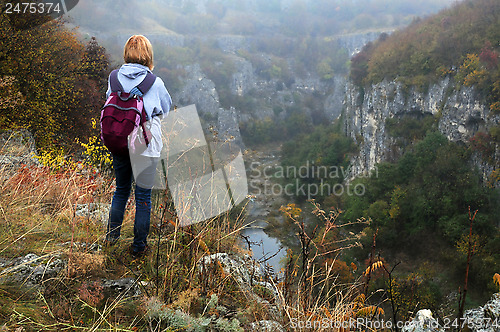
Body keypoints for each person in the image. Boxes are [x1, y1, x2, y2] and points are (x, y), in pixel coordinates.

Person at [105, 35, 172, 257]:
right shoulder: (156, 82)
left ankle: (111, 240)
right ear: (148, 55)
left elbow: (110, 102)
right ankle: (138, 248)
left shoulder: (114, 77)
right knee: (143, 197)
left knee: (121, 191)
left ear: (127, 53)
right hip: (146, 146)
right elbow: (166, 108)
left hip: (119, 142)